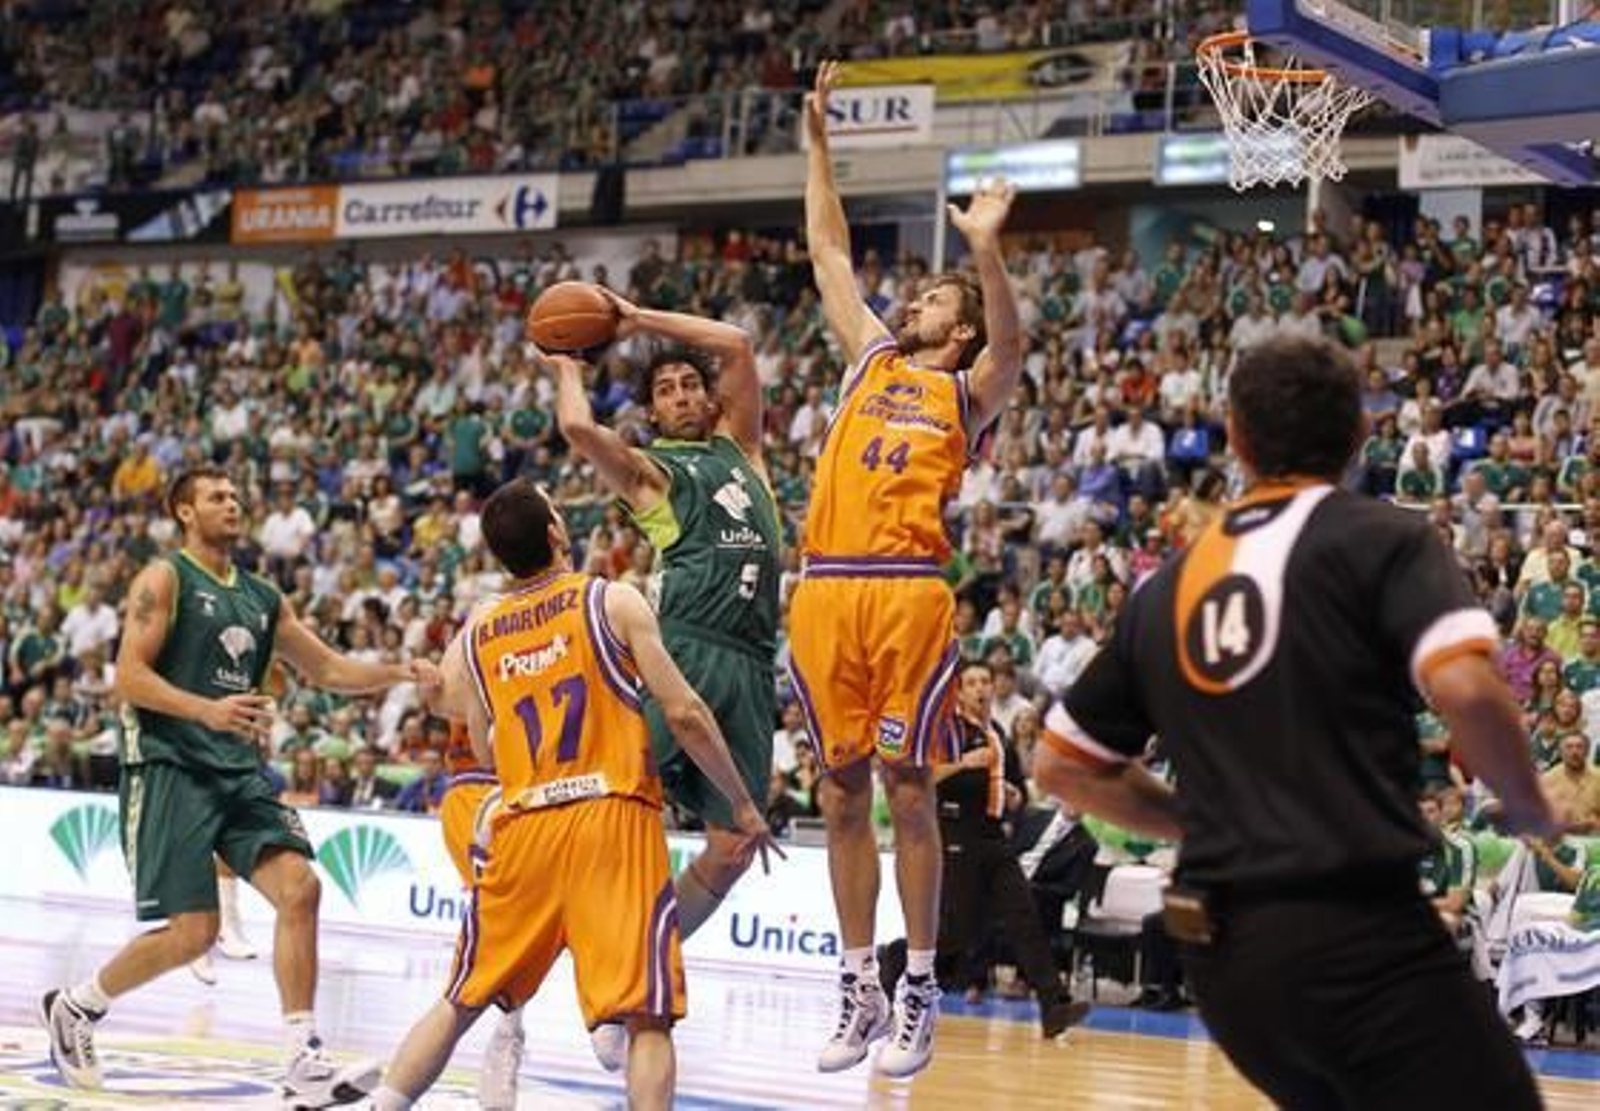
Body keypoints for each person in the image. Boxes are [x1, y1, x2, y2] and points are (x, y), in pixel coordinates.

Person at [1034, 335, 1557, 1110]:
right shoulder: (1383, 537)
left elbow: (1062, 766)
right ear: (1359, 436)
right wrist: (1529, 804)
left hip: (1224, 964)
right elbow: (1469, 692)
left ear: (1237, 439)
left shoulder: (1167, 586)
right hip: (1356, 934)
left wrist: (1201, 822)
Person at [39, 465, 440, 1108]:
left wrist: (401, 672)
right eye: (217, 496)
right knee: (193, 934)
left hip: (237, 772)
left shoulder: (262, 597)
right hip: (170, 767)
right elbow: (128, 677)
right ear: (184, 512)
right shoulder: (163, 578)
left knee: (301, 889)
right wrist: (206, 710)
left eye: (235, 493)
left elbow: (328, 668)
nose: (234, 502)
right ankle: (79, 1006)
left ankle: (301, 1057)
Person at [368, 479, 776, 1111]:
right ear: (557, 534)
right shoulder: (611, 600)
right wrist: (743, 804)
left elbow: (484, 743)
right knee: (648, 1015)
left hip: (526, 821)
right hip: (609, 819)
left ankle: (385, 1103)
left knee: (460, 1000)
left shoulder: (482, 630)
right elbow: (686, 713)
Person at [792, 60, 1025, 1079]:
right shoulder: (871, 361)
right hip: (824, 586)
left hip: (905, 592)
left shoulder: (969, 388)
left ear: (958, 326)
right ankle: (859, 984)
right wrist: (817, 145)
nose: (913, 301)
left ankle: (921, 982)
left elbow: (1014, 342)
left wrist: (985, 251)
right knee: (840, 793)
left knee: (907, 786)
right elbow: (828, 250)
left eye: (933, 296)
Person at [550, 292, 782, 1067]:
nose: (682, 395)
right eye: (665, 390)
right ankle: (588, 965)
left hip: (751, 664)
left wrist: (636, 316)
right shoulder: (653, 473)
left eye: (690, 384)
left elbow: (740, 346)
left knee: (734, 844)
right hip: (680, 651)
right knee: (615, 812)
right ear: (652, 412)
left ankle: (635, 962)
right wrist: (566, 363)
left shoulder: (742, 450)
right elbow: (580, 428)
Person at [877, 660, 1089, 1039]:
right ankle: (892, 961)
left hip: (993, 835)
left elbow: (1014, 786)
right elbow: (921, 775)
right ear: (958, 691)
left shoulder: (998, 733)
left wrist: (1013, 795)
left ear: (993, 688)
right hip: (956, 832)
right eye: (971, 682)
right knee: (954, 934)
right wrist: (963, 763)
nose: (979, 688)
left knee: (1025, 915)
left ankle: (1053, 1005)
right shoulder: (949, 728)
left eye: (985, 682)